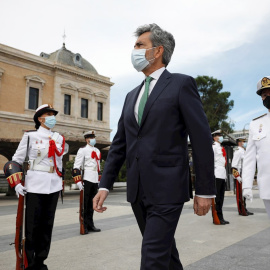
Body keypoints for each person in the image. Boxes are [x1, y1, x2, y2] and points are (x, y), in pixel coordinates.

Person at [93, 23, 216, 270]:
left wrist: (205, 190)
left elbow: (202, 140)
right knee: (165, 254)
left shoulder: (181, 85)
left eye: (140, 45)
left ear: (157, 50)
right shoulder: (131, 96)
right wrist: (104, 184)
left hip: (167, 187)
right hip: (138, 191)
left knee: (152, 258)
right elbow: (120, 145)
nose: (134, 50)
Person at [3, 104, 66, 270]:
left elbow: (59, 163)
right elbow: (15, 160)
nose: (52, 117)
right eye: (48, 114)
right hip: (34, 185)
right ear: (40, 118)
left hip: (53, 185)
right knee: (32, 226)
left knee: (47, 226)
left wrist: (61, 182)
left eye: (53, 114)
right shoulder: (30, 136)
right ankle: (30, 264)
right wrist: (16, 183)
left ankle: (41, 261)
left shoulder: (59, 138)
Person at [242, 76, 270, 218]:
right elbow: (250, 158)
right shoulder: (255, 124)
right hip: (268, 186)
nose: (268, 97)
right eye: (265, 95)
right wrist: (246, 185)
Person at [72, 130, 101, 234]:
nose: (93, 139)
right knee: (85, 203)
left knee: (93, 203)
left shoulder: (97, 150)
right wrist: (79, 181)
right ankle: (84, 225)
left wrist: (99, 179)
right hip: (87, 178)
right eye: (90, 137)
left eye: (94, 137)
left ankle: (91, 224)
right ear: (86, 139)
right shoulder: (82, 150)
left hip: (94, 179)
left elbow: (98, 167)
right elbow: (76, 166)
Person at [231, 137, 253, 216]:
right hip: (240, 176)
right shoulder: (237, 151)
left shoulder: (244, 151)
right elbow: (233, 166)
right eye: (243, 141)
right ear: (239, 142)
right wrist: (237, 176)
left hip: (245, 175)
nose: (245, 143)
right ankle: (241, 210)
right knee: (240, 194)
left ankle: (245, 208)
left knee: (244, 193)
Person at [212, 130, 229, 225]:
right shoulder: (213, 147)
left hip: (222, 173)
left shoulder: (221, 147)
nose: (221, 137)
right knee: (217, 197)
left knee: (221, 197)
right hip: (217, 173)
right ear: (215, 137)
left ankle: (221, 217)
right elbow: (210, 161)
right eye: (219, 135)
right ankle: (217, 217)